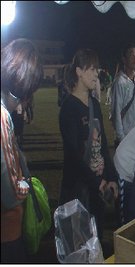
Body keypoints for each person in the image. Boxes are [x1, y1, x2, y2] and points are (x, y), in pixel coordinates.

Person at [59, 49, 119, 243]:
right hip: (78, 190)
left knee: (97, 241)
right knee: (79, 245)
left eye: (97, 69)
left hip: (97, 191)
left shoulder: (94, 103)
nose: (96, 74)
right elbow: (73, 156)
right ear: (79, 71)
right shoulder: (69, 108)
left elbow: (102, 146)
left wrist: (110, 178)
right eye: (92, 69)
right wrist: (97, 182)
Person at [1, 38, 42, 263]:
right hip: (6, 233)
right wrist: (27, 184)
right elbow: (10, 194)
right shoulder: (2, 118)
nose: (21, 105)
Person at [111, 42, 135, 147]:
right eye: (131, 54)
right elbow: (116, 112)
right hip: (125, 138)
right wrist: (121, 138)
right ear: (124, 59)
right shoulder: (119, 82)